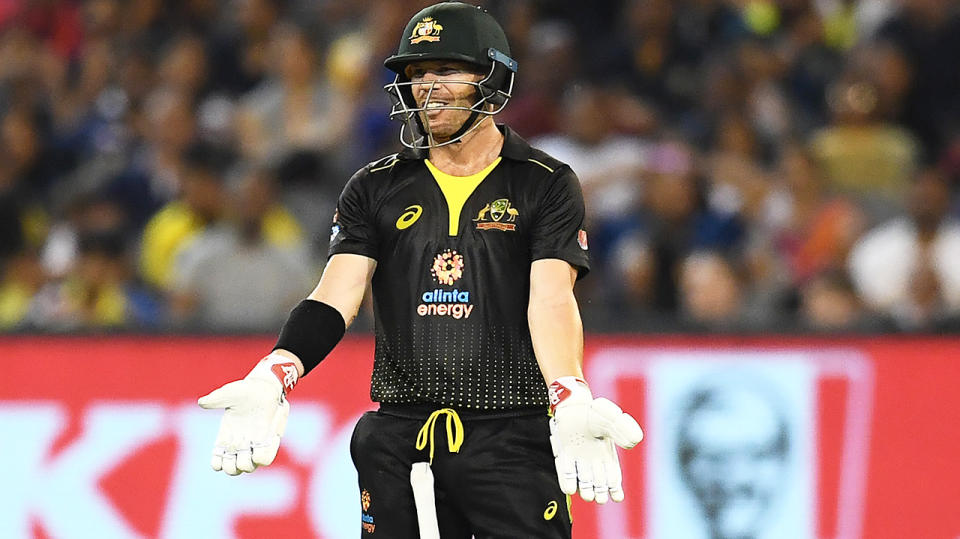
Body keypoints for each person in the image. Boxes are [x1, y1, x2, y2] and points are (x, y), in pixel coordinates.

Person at [197, 3, 644, 538]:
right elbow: (337, 294)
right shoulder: (375, 185)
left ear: (492, 76)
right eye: (416, 75)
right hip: (401, 439)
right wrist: (277, 369)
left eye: (446, 71)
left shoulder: (543, 182)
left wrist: (568, 391)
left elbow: (550, 297)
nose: (428, 88)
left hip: (511, 436)